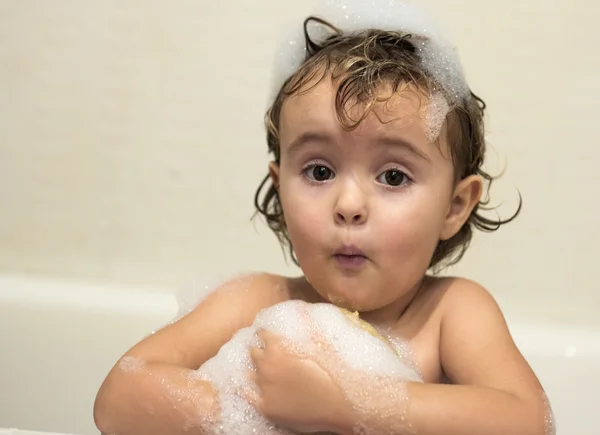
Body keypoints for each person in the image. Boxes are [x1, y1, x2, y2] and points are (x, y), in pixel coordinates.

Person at [94, 1, 555, 434]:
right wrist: (257, 408)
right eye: (320, 171)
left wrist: (351, 404)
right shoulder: (256, 301)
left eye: (393, 176)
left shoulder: (449, 312)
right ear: (280, 186)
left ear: (454, 207)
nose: (348, 204)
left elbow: (528, 420)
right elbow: (118, 397)